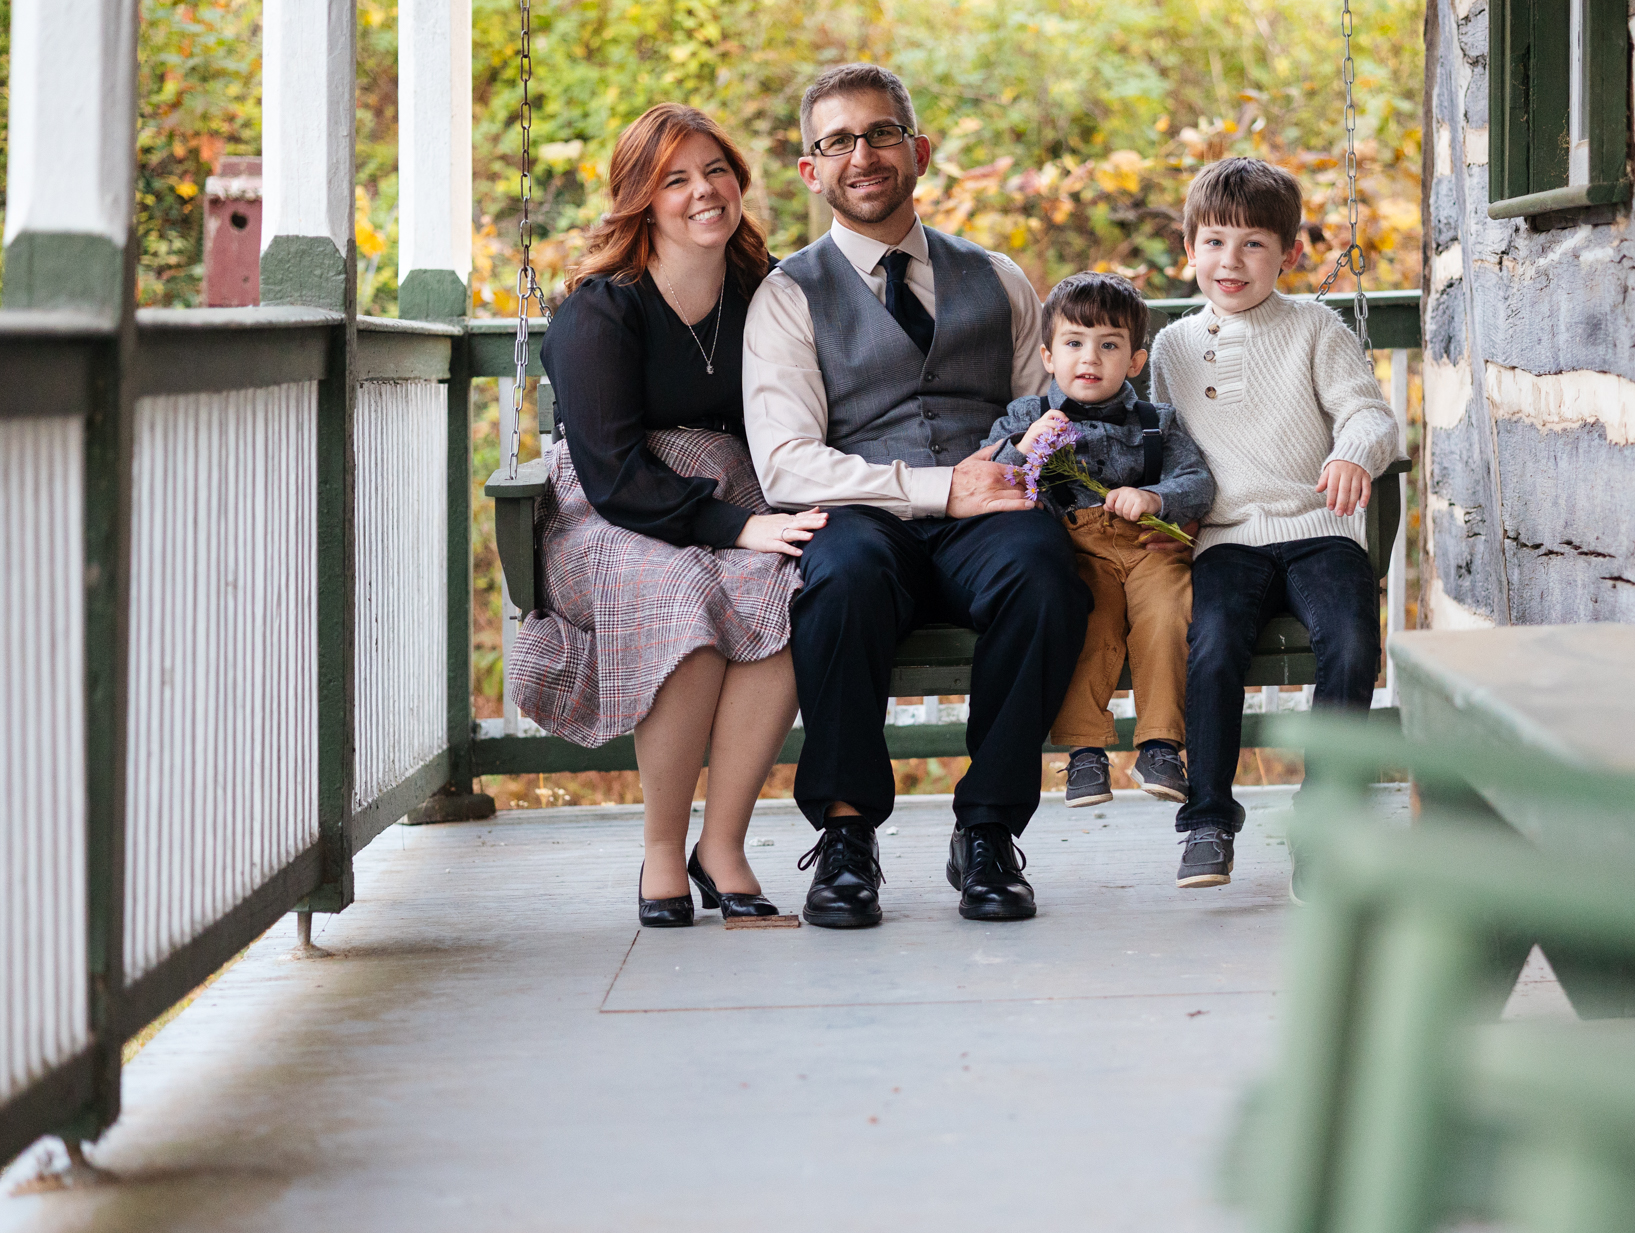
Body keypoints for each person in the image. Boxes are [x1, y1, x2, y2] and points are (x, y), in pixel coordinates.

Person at [743, 63, 1091, 929]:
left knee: (1045, 569)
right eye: (837, 141)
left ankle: (987, 830)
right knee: (840, 573)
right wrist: (940, 488)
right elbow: (787, 463)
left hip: (986, 524)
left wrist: (1021, 471)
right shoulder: (787, 295)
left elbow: (1039, 414)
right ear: (811, 170)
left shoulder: (1001, 278)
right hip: (871, 515)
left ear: (920, 151)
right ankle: (848, 833)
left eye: (882, 133)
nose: (862, 154)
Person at [520, 104, 829, 928]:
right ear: (641, 200)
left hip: (732, 497)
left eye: (716, 171)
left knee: (784, 593)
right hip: (611, 513)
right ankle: (662, 845)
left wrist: (755, 521)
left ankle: (721, 843)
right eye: (676, 179)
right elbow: (613, 473)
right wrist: (734, 526)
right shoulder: (601, 310)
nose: (704, 192)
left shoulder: (762, 291)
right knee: (675, 595)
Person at [1149, 157, 1399, 888]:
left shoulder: (1315, 329)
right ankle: (1206, 819)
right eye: (1215, 241)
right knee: (1214, 645)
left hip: (1319, 527)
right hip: (1226, 538)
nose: (1232, 260)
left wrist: (1353, 452)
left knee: (1351, 643)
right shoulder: (1170, 348)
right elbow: (1163, 443)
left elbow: (1367, 411)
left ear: (1288, 255)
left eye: (1254, 243)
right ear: (1189, 249)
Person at [987, 272, 1214, 809]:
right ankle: (1085, 751)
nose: (1089, 359)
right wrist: (1022, 450)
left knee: (1168, 614)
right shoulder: (1028, 416)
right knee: (1091, 622)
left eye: (1108, 345)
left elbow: (1198, 481)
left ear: (1134, 361)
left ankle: (1161, 744)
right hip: (1077, 550)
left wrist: (1156, 499)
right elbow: (993, 478)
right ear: (1048, 356)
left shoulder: (1157, 422)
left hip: (1147, 549)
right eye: (1073, 343)